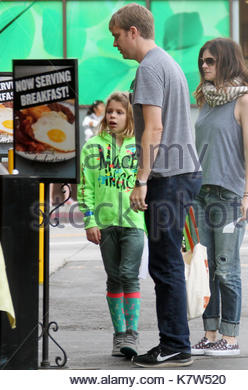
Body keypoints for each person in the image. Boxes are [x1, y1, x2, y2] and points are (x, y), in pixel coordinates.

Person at [109, 3, 202, 368]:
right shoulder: (166, 62)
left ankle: (176, 344)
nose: (115, 44)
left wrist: (141, 180)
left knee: (164, 266)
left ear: (133, 31)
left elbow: (155, 128)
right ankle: (176, 342)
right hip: (181, 173)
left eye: (117, 36)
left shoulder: (149, 68)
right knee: (167, 264)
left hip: (168, 177)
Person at [191, 38, 248, 356]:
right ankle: (210, 335)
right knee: (206, 267)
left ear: (227, 62)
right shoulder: (206, 99)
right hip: (201, 194)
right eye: (202, 62)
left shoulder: (244, 100)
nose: (205, 66)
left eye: (211, 61)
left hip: (229, 196)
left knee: (226, 268)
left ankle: (230, 338)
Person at [77, 92, 145, 358]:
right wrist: (89, 220)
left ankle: (133, 334)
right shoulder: (92, 147)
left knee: (129, 275)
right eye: (110, 112)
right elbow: (86, 187)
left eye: (119, 112)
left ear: (129, 115)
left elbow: (148, 181)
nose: (113, 116)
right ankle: (119, 337)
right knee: (114, 279)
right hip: (104, 225)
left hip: (134, 222)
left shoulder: (139, 146)